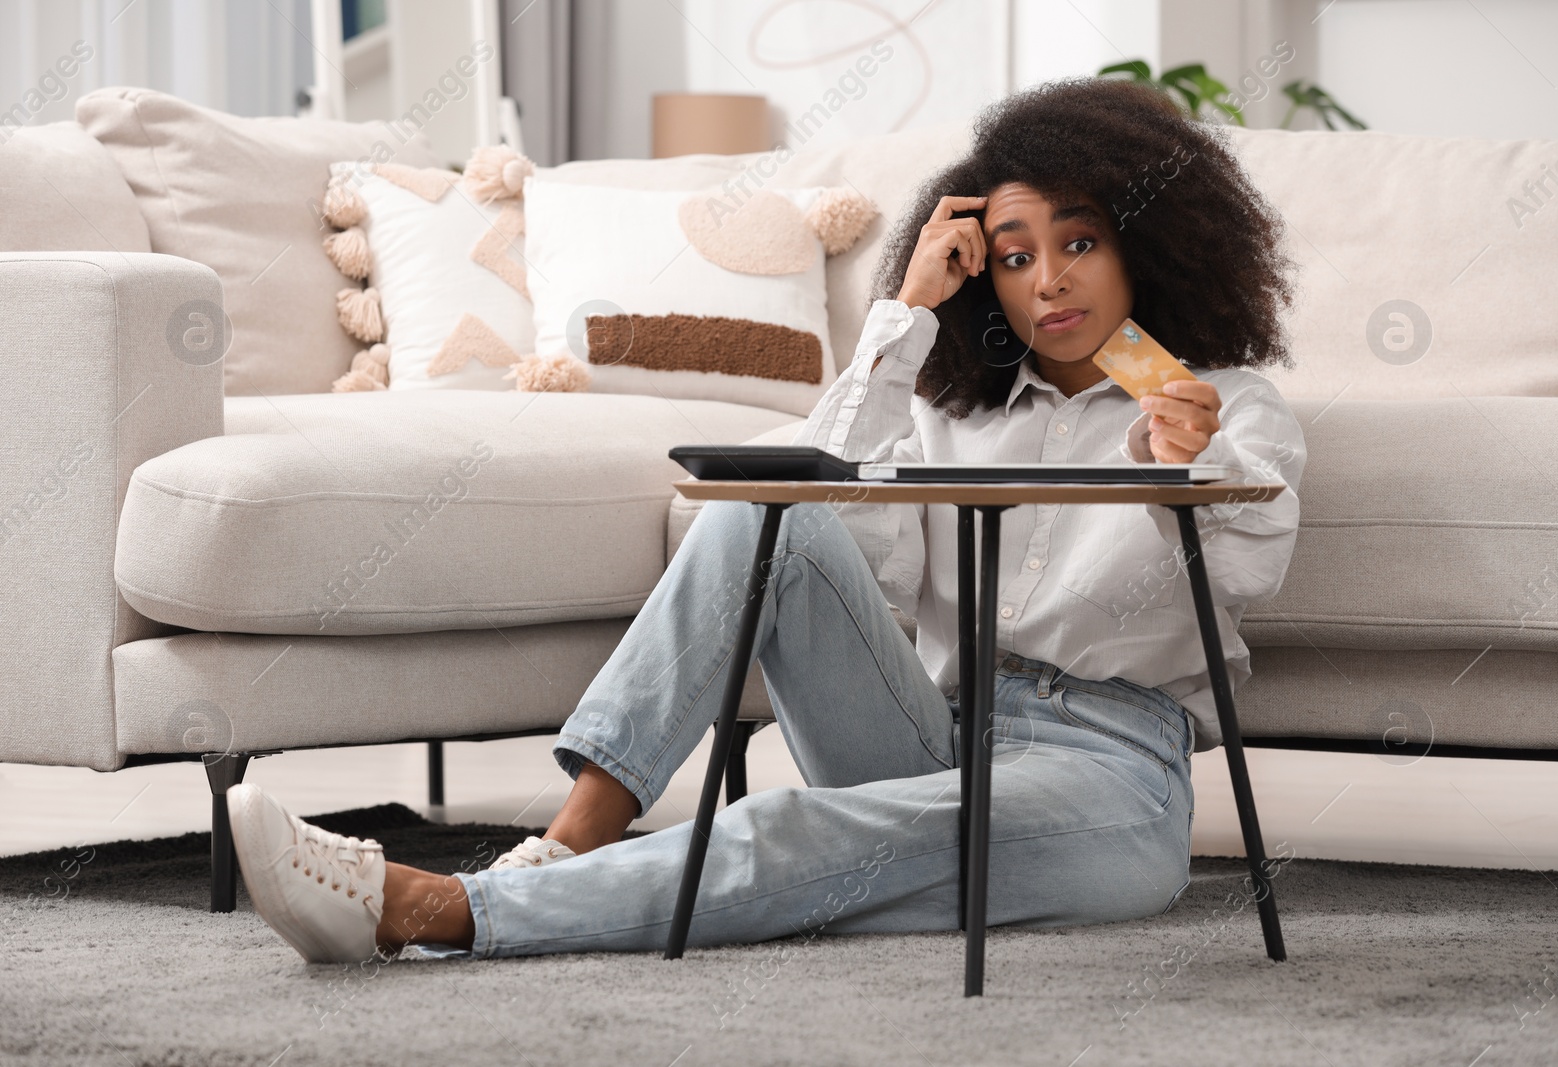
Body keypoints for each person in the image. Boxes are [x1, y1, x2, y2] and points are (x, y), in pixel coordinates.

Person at [226, 76, 1307, 966]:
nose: (1048, 282)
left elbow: (1250, 569)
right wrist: (907, 321)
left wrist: (1186, 461)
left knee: (800, 825)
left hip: (1105, 770)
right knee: (762, 521)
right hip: (924, 729)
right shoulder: (947, 402)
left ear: (1144, 245)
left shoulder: (1225, 406)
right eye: (1016, 254)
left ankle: (438, 908)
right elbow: (827, 510)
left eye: (1079, 242)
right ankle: (568, 840)